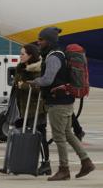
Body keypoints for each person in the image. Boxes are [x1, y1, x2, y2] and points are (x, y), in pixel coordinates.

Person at [28, 27, 95, 181]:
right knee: (68, 134)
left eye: (41, 39)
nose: (38, 42)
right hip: (65, 100)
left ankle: (64, 169)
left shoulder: (53, 57)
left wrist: (34, 82)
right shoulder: (58, 54)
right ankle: (86, 162)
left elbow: (48, 79)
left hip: (58, 102)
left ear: (49, 41)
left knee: (59, 137)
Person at [0, 44, 51, 176]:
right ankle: (16, 163)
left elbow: (41, 88)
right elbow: (17, 84)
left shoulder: (40, 69)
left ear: (30, 55)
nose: (20, 56)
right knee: (18, 133)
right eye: (20, 53)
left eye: (23, 54)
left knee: (39, 134)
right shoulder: (20, 67)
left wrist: (25, 86)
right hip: (23, 108)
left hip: (36, 108)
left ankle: (46, 163)